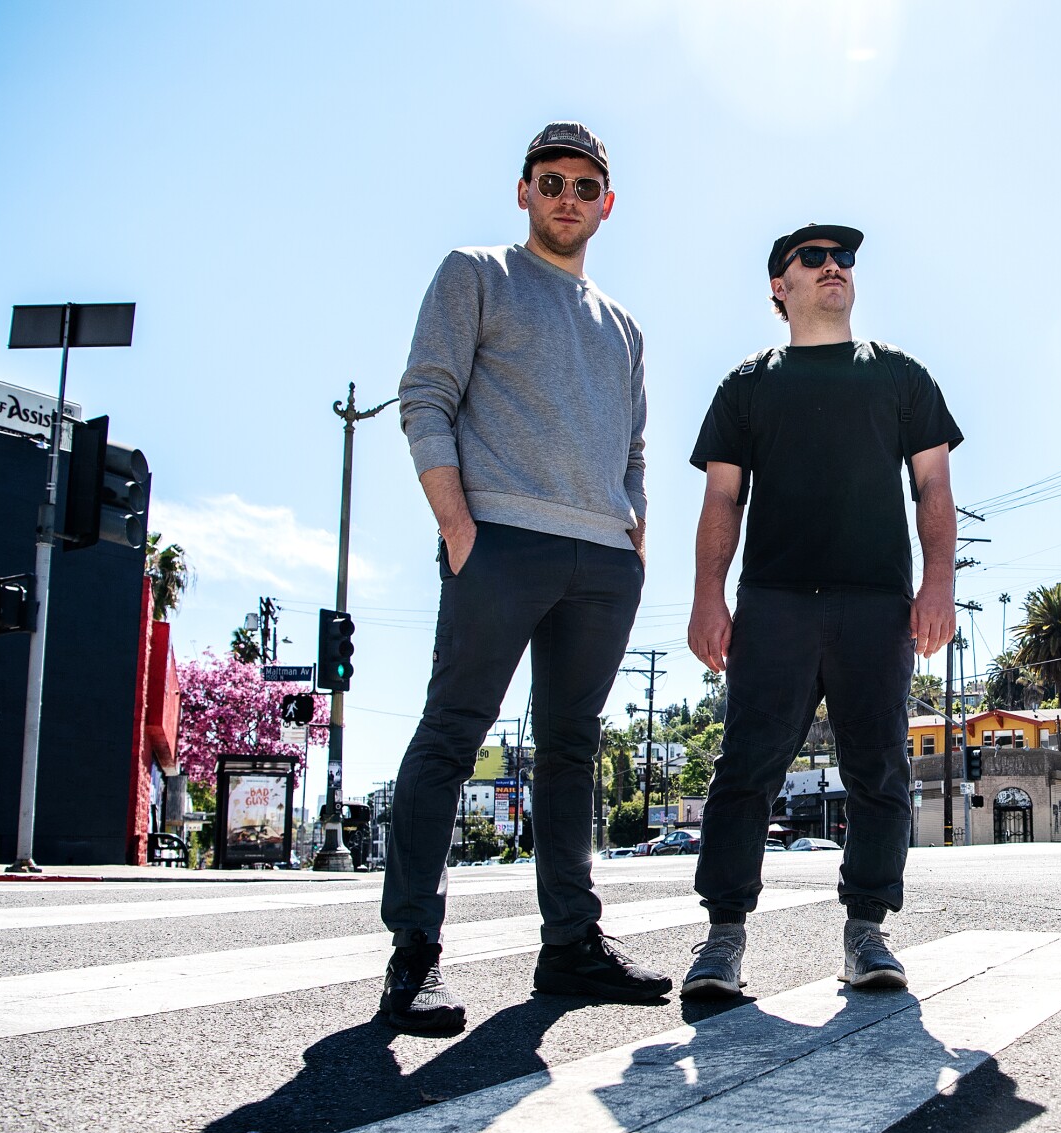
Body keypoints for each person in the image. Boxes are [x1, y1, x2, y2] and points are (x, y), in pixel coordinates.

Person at [378, 121, 671, 1035]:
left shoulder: (623, 326)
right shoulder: (477, 273)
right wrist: (458, 526)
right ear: (524, 191)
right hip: (499, 540)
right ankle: (414, 958)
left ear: (606, 205)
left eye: (585, 187)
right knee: (452, 737)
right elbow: (425, 396)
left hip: (599, 561)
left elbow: (633, 448)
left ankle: (570, 948)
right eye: (552, 182)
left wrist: (635, 540)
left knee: (572, 752)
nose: (568, 199)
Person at [682, 224, 961, 999]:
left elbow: (933, 489)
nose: (833, 267)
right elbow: (721, 498)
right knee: (745, 769)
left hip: (876, 604)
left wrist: (936, 582)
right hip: (774, 604)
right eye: (813, 259)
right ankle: (723, 940)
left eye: (843, 258)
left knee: (879, 770)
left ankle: (866, 931)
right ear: (780, 285)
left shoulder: (901, 376)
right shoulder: (747, 385)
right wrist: (710, 595)